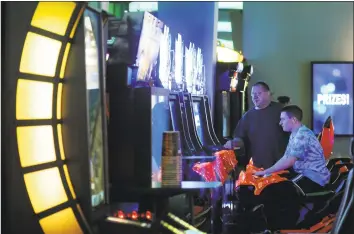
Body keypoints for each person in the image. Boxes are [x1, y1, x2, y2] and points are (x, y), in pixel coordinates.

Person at [254, 105, 331, 189]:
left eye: (283, 119)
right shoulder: (295, 134)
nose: (280, 123)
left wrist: (266, 171)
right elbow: (285, 158)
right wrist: (268, 172)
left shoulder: (303, 135)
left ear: (294, 120)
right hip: (304, 174)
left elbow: (290, 161)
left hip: (314, 178)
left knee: (277, 189)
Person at [224, 81, 289, 169]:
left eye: (259, 93)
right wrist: (233, 143)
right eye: (253, 94)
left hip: (281, 167)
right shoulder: (248, 116)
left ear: (268, 94)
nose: (255, 97)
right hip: (256, 168)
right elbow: (240, 138)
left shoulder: (281, 111)